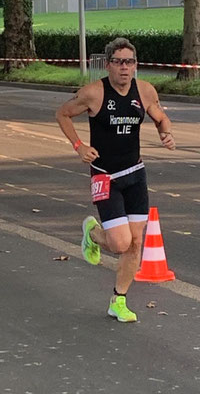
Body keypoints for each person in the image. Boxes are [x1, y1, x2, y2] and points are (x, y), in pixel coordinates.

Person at [56, 37, 176, 323]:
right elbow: (62, 113)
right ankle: (93, 233)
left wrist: (165, 133)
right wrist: (79, 147)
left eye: (130, 62)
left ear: (135, 65)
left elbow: (161, 117)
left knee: (136, 243)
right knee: (120, 243)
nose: (125, 68)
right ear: (108, 64)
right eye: (119, 62)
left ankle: (118, 300)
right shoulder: (94, 93)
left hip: (135, 173)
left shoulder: (144, 91)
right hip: (105, 175)